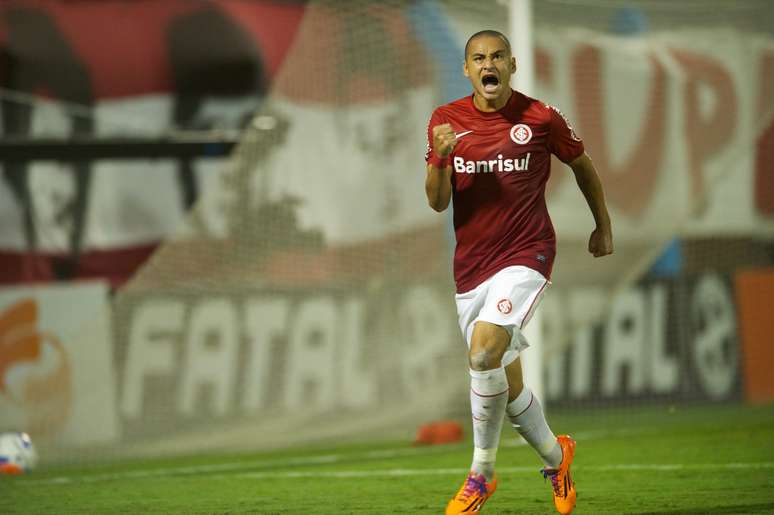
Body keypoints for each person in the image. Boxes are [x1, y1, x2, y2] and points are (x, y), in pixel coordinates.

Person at [424, 30, 613, 515]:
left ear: (512, 64)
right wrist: (441, 158)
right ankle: (557, 456)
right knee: (506, 387)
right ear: (467, 69)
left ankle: (480, 474)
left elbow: (583, 165)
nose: (489, 64)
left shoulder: (541, 117)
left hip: (527, 254)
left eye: (498, 56)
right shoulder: (445, 121)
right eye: (479, 58)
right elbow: (438, 201)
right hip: (471, 268)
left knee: (483, 350)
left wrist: (602, 226)